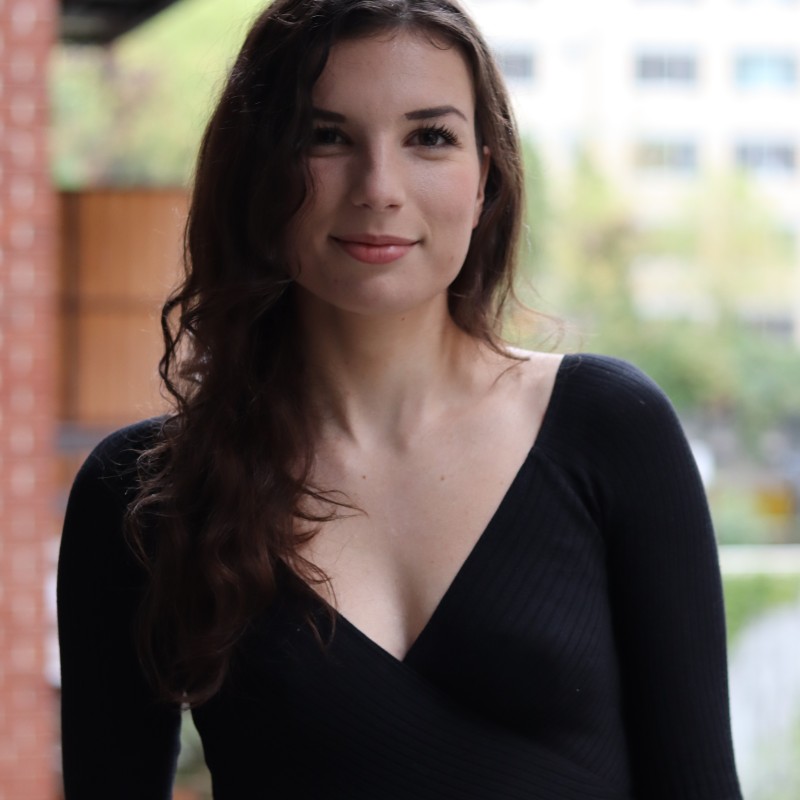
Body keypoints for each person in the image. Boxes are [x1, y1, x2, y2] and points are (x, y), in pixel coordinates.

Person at [57, 1, 743, 798]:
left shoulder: (612, 431)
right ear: (256, 172)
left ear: (485, 176)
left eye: (429, 137)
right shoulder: (144, 493)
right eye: (326, 137)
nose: (378, 188)